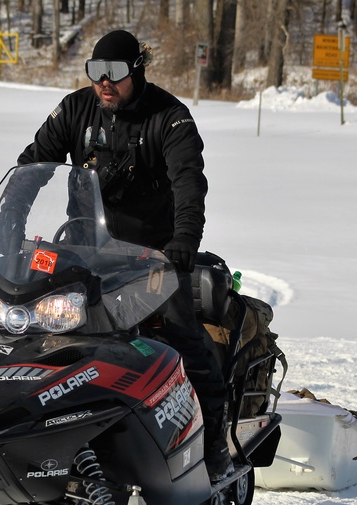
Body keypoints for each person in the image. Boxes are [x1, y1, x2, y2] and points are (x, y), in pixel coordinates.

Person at [15, 29, 233, 481]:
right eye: (96, 72)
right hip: (84, 249)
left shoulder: (170, 117)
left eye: (114, 73)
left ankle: (214, 448)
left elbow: (189, 185)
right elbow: (33, 164)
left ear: (137, 70)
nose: (104, 83)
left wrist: (183, 245)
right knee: (25, 321)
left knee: (182, 338)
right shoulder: (76, 108)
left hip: (150, 259)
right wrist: (8, 222)